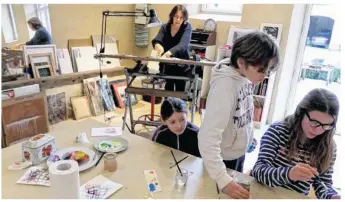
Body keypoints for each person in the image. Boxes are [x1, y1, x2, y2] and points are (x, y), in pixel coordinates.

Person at [198, 31, 280, 199]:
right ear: (242, 62)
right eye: (261, 70)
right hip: (220, 162)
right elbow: (207, 139)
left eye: (269, 70)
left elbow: (243, 112)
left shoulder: (244, 75)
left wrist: (247, 137)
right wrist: (223, 180)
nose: (265, 76)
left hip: (236, 154)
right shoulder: (225, 88)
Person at [250, 88, 340, 199]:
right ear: (301, 112)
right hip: (262, 194)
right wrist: (289, 174)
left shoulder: (329, 146)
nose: (318, 130)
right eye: (314, 122)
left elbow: (323, 183)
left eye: (326, 125)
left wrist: (331, 196)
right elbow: (258, 172)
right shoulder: (278, 131)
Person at [151, 5, 192, 92]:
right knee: (168, 88)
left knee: (180, 91)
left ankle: (179, 105)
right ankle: (168, 104)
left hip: (181, 65)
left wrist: (169, 52)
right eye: (176, 16)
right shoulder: (165, 27)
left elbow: (183, 44)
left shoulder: (187, 27)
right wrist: (158, 46)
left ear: (184, 18)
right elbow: (157, 39)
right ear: (172, 16)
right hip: (168, 65)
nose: (178, 20)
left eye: (181, 17)